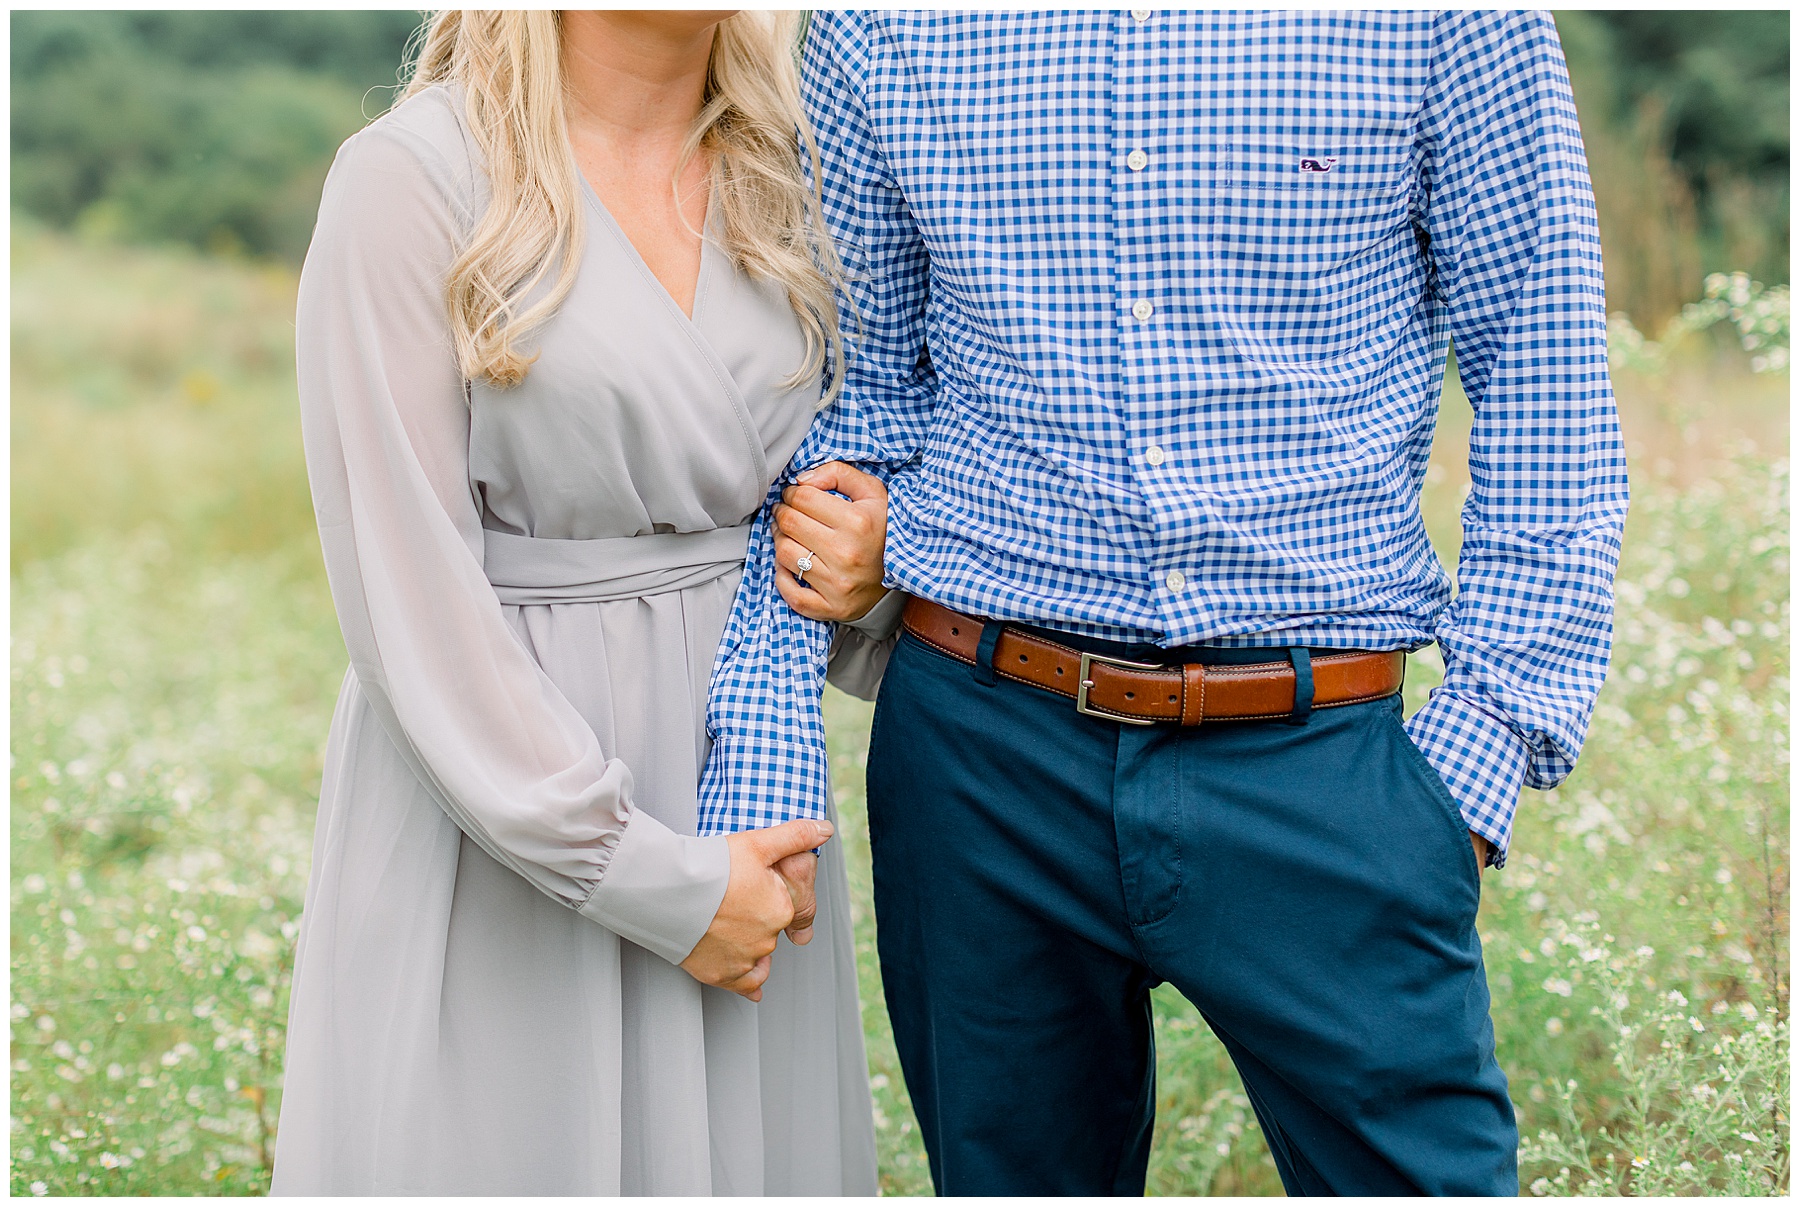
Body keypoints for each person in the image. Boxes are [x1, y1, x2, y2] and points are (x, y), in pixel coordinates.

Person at [709, 9, 1629, 1196]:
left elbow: (1541, 359)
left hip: (1322, 771)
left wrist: (1477, 754)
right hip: (979, 766)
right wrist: (768, 757)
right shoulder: (878, 20)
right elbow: (867, 387)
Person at [272, 10, 889, 1195]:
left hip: (748, 803)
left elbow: (849, 467)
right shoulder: (412, 182)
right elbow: (409, 592)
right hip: (507, 816)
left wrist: (864, 572)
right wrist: (645, 876)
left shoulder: (802, 171)